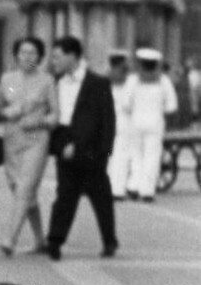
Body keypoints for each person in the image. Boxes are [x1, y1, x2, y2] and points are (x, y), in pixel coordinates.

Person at [44, 35, 118, 260]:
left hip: (92, 150)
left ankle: (109, 240)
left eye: (57, 56)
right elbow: (56, 119)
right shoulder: (56, 83)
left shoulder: (98, 83)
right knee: (65, 196)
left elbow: (107, 121)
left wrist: (105, 153)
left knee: (101, 198)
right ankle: (55, 241)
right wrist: (60, 146)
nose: (54, 61)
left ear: (72, 56)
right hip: (65, 142)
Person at [0, 35, 57, 255]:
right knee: (20, 189)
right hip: (12, 139)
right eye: (23, 52)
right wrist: (6, 113)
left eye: (32, 53)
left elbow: (55, 115)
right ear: (16, 55)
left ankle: (10, 239)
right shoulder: (6, 79)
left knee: (24, 187)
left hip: (37, 139)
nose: (27, 57)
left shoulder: (47, 81)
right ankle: (40, 239)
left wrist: (39, 121)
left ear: (40, 56)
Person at [117, 47, 178, 201]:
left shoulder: (133, 80)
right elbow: (172, 106)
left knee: (136, 155)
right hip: (155, 122)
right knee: (152, 156)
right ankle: (147, 191)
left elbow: (125, 104)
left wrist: (134, 110)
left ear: (141, 63)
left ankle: (134, 186)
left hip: (136, 121)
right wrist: (160, 109)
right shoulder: (163, 81)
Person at [105, 51, 134, 197]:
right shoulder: (128, 81)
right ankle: (117, 189)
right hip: (123, 122)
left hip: (107, 122)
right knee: (121, 157)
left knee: (109, 157)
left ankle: (107, 186)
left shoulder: (105, 79)